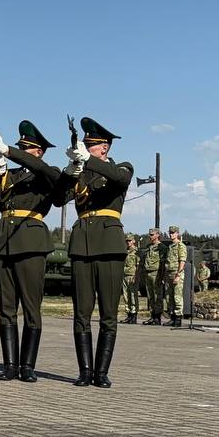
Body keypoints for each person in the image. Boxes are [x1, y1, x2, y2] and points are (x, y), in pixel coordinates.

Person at [0, 120, 60, 383]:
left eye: (26, 149)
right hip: (5, 242)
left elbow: (46, 172)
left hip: (31, 242)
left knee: (31, 307)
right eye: (20, 147)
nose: (22, 152)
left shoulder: (47, 172)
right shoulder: (11, 175)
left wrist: (9, 150)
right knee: (6, 307)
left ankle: (28, 366)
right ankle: (10, 365)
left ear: (39, 151)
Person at [55, 117, 132, 388]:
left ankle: (102, 372)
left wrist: (87, 160)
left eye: (92, 145)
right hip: (82, 245)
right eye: (85, 145)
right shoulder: (82, 172)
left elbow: (118, 179)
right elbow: (57, 199)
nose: (88, 148)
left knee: (108, 314)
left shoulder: (121, 167)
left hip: (110, 245)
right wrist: (70, 170)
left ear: (105, 147)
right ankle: (85, 371)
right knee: (82, 313)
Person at [140, 228, 166, 326]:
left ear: (157, 235)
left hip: (156, 273)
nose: (150, 236)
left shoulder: (162, 247)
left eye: (152, 235)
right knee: (150, 296)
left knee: (157, 296)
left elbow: (163, 263)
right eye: (149, 235)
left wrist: (161, 276)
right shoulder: (148, 247)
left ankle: (157, 317)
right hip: (148, 273)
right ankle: (152, 316)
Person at [164, 225, 188, 327]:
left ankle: (178, 318)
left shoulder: (180, 246)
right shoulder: (170, 246)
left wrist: (178, 275)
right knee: (169, 297)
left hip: (176, 273)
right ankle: (172, 317)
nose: (171, 234)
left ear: (177, 234)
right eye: (170, 233)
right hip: (169, 273)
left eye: (173, 233)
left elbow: (182, 261)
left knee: (177, 296)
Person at [121, 235, 139, 324]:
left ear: (133, 241)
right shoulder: (125, 251)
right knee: (125, 296)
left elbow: (138, 265)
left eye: (130, 241)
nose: (128, 242)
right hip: (124, 275)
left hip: (132, 275)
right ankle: (128, 315)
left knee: (133, 296)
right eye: (127, 241)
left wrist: (136, 276)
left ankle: (134, 314)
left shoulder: (136, 252)